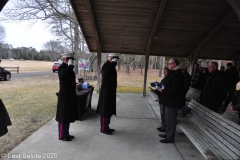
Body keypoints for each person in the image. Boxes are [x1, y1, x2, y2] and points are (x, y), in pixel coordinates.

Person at [156, 58, 184, 143]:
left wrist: (163, 90)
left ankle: (170, 137)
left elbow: (174, 88)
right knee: (168, 119)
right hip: (168, 100)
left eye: (169, 64)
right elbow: (167, 84)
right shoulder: (173, 73)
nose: (168, 65)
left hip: (173, 102)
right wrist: (161, 88)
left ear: (175, 64)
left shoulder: (178, 74)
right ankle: (168, 133)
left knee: (171, 120)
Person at [56, 52, 78, 141]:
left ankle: (66, 133)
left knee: (68, 115)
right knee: (63, 116)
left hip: (70, 95)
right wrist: (69, 66)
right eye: (70, 59)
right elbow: (63, 75)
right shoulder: (61, 68)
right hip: (64, 96)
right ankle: (61, 135)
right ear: (65, 59)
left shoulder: (69, 68)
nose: (71, 61)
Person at [97, 53, 119, 135]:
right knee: (105, 111)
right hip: (106, 93)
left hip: (110, 92)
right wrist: (112, 63)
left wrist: (112, 64)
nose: (116, 62)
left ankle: (107, 126)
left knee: (109, 110)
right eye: (114, 59)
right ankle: (103, 128)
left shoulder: (111, 66)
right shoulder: (106, 66)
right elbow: (106, 73)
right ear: (111, 58)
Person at [154, 67, 169, 132]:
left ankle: (165, 127)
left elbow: (166, 88)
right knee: (162, 113)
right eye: (164, 71)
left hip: (165, 99)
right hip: (161, 98)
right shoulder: (164, 79)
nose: (164, 73)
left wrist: (160, 88)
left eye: (165, 72)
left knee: (164, 114)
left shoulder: (168, 79)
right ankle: (163, 125)